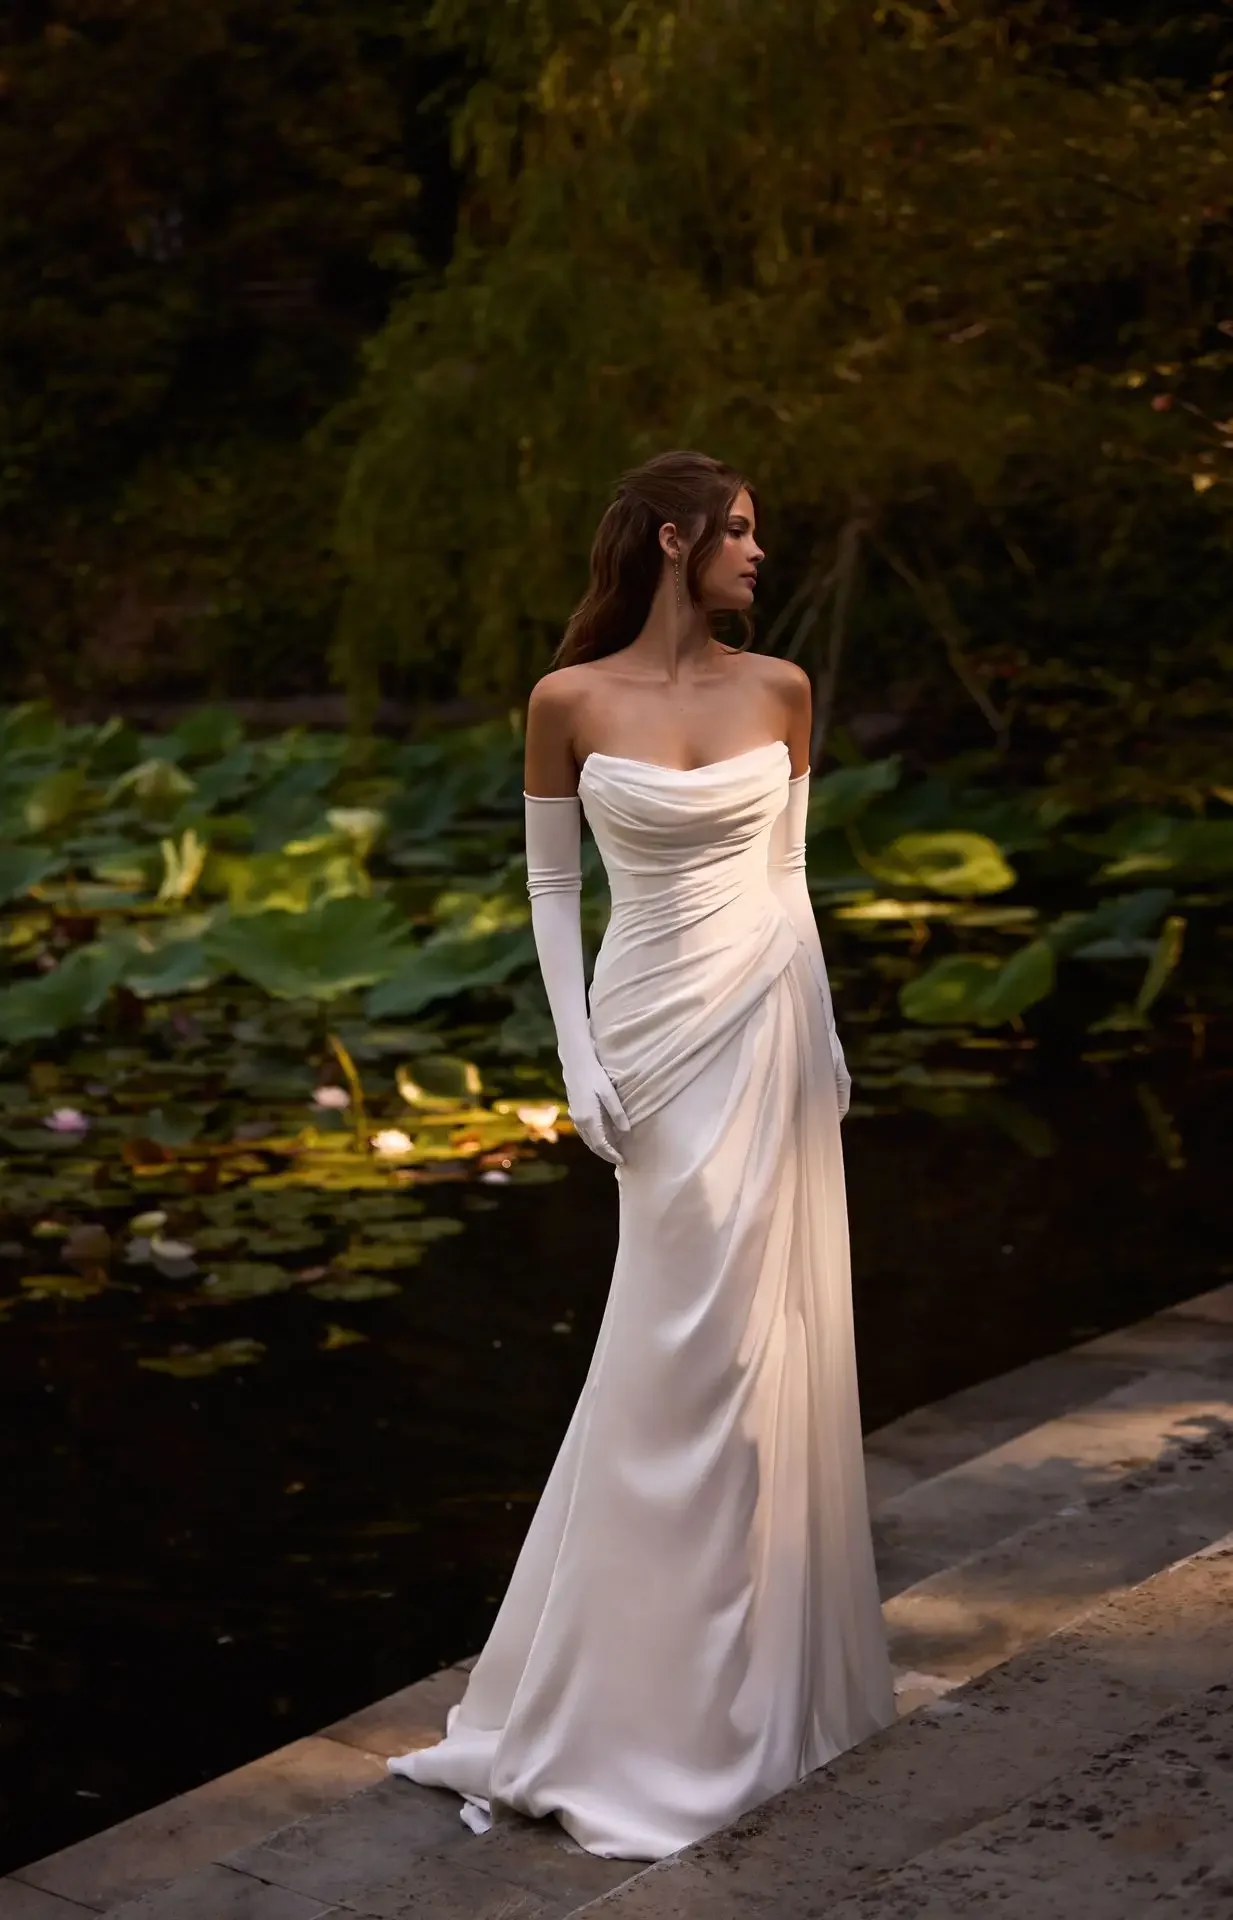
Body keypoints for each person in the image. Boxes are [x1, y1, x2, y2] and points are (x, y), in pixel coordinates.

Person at [388, 450, 895, 1860]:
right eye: (738, 533)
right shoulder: (568, 700)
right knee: (673, 1351)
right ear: (672, 540)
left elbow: (790, 875)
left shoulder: (782, 689)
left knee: (756, 1358)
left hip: (769, 1020)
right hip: (649, 1037)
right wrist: (573, 1058)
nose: (757, 555)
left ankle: (741, 1699)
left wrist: (831, 1033)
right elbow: (552, 888)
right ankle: (630, 1706)